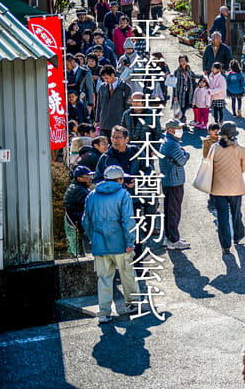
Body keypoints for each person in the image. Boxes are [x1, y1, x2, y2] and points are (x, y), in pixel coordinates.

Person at [81, 165, 140, 323]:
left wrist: (93, 237)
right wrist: (130, 242)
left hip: (100, 244)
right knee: (127, 275)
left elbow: (86, 221)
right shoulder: (123, 194)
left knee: (104, 279)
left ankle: (105, 312)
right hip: (120, 244)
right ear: (119, 179)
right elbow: (128, 221)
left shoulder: (92, 195)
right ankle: (132, 304)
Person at [209, 121, 245, 256]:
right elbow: (243, 168)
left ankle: (225, 246)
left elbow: (210, 167)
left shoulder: (214, 148)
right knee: (236, 213)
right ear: (233, 136)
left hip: (219, 188)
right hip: (236, 187)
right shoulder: (241, 150)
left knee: (222, 217)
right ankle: (237, 236)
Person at [159, 119, 191, 250]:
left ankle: (170, 237)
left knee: (169, 209)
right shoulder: (172, 144)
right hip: (174, 181)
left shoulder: (167, 142)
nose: (180, 130)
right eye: (178, 128)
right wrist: (186, 153)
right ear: (170, 130)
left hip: (168, 181)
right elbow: (182, 160)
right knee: (174, 211)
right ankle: (173, 239)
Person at [94, 65, 132, 138]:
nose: (105, 80)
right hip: (104, 123)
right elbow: (99, 105)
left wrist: (127, 123)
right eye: (103, 78)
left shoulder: (125, 88)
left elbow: (128, 107)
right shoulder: (102, 87)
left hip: (118, 123)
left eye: (107, 78)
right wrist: (97, 120)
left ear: (113, 75)